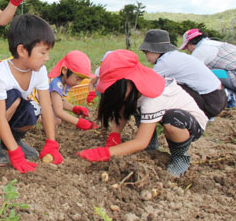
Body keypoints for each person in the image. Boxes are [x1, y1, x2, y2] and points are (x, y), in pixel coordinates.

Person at [77, 49, 208, 177]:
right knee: (134, 105)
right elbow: (124, 110)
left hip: (191, 124)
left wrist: (103, 153)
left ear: (129, 82)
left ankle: (180, 157)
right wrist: (114, 134)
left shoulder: (152, 100)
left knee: (172, 120)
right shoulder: (136, 89)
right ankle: (152, 145)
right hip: (160, 113)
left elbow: (141, 142)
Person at [0, 14, 63, 173]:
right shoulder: (1, 74)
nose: (47, 58)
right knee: (14, 97)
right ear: (22, 50)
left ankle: (11, 141)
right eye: (43, 53)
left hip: (6, 109)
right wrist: (16, 155)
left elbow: (46, 107)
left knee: (33, 108)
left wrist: (51, 143)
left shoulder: (39, 71)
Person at [140, 29, 226, 118]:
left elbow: (146, 83)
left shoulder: (165, 62)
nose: (146, 56)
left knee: (165, 88)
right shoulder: (175, 56)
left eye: (146, 52)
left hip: (210, 103)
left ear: (155, 50)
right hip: (219, 97)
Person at [48, 50, 98, 129]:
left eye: (81, 80)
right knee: (57, 120)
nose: (78, 83)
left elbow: (59, 102)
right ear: (64, 70)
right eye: (77, 79)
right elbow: (58, 111)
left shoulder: (65, 82)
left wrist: (74, 108)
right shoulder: (56, 84)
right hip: (36, 107)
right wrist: (78, 122)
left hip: (46, 106)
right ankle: (37, 119)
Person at [180, 28, 236, 94]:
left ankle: (230, 96)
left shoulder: (201, 50)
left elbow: (189, 71)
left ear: (190, 43)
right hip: (232, 73)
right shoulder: (214, 43)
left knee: (205, 74)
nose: (189, 51)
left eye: (187, 47)